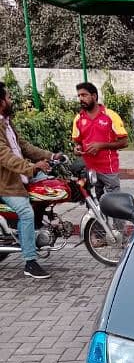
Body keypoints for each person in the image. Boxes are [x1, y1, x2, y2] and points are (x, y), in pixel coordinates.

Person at [0, 81, 62, 280]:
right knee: (25, 212)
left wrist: (51, 156)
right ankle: (30, 262)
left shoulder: (7, 123)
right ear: (1, 102)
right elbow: (5, 157)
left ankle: (38, 228)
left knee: (51, 185)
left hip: (21, 177)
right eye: (8, 97)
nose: (11, 100)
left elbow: (24, 147)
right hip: (6, 184)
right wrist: (32, 167)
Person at [72, 82, 128, 198]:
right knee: (94, 205)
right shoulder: (78, 119)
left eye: (84, 95)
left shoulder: (110, 115)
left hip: (109, 168)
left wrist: (101, 146)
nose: (81, 99)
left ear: (94, 96)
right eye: (79, 96)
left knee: (114, 203)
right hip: (89, 170)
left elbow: (124, 142)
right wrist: (77, 149)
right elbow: (77, 143)